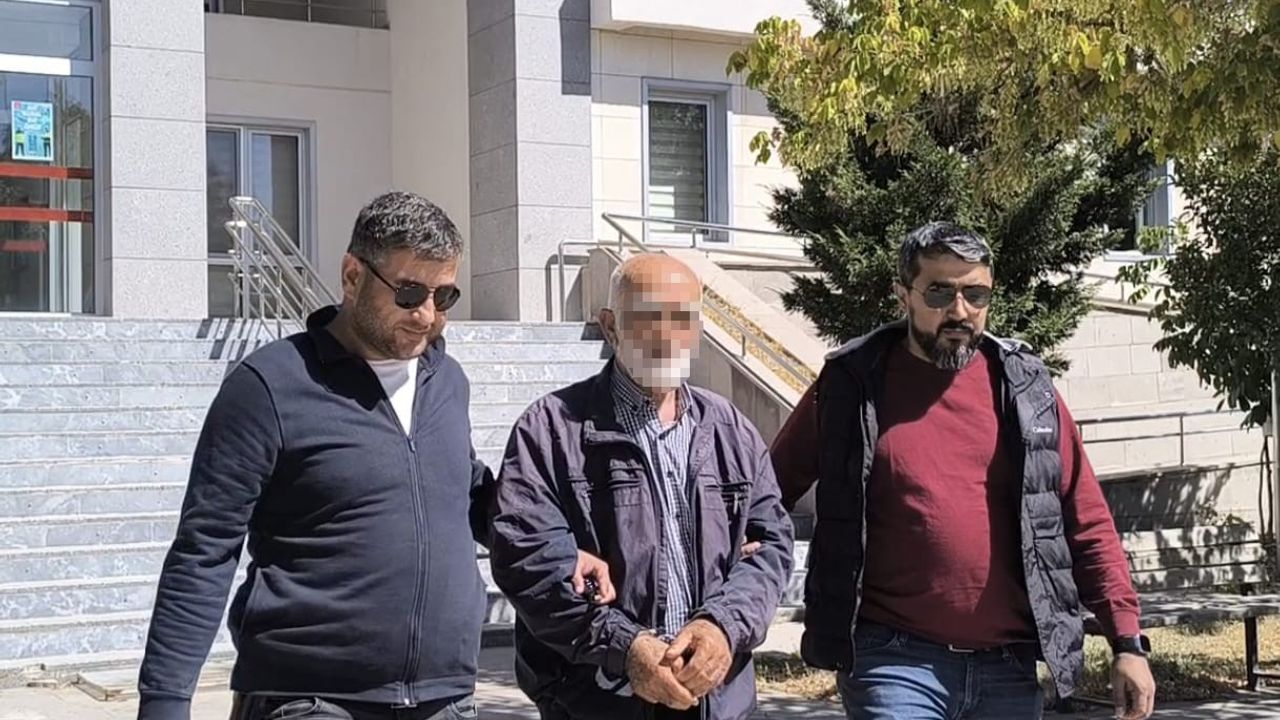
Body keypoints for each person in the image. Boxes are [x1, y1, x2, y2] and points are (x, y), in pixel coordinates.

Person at [136, 191, 614, 720]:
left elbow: (463, 488)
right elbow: (204, 552)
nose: (427, 315)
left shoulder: (446, 380)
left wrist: (556, 549)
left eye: (444, 296)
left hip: (444, 699)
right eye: (409, 293)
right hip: (311, 699)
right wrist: (164, 702)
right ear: (352, 276)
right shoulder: (268, 386)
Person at [771, 222, 1157, 720]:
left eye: (975, 294)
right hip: (892, 660)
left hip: (1007, 666)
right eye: (939, 292)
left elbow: (1085, 519)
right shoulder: (853, 383)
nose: (959, 311)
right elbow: (769, 489)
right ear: (903, 296)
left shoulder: (1025, 388)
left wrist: (1127, 641)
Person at [488, 253, 795, 720]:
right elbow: (527, 557)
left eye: (682, 318)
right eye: (649, 316)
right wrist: (627, 648)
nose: (667, 335)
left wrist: (721, 627)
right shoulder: (550, 430)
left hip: (715, 699)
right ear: (610, 326)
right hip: (599, 699)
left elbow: (771, 546)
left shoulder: (731, 431)